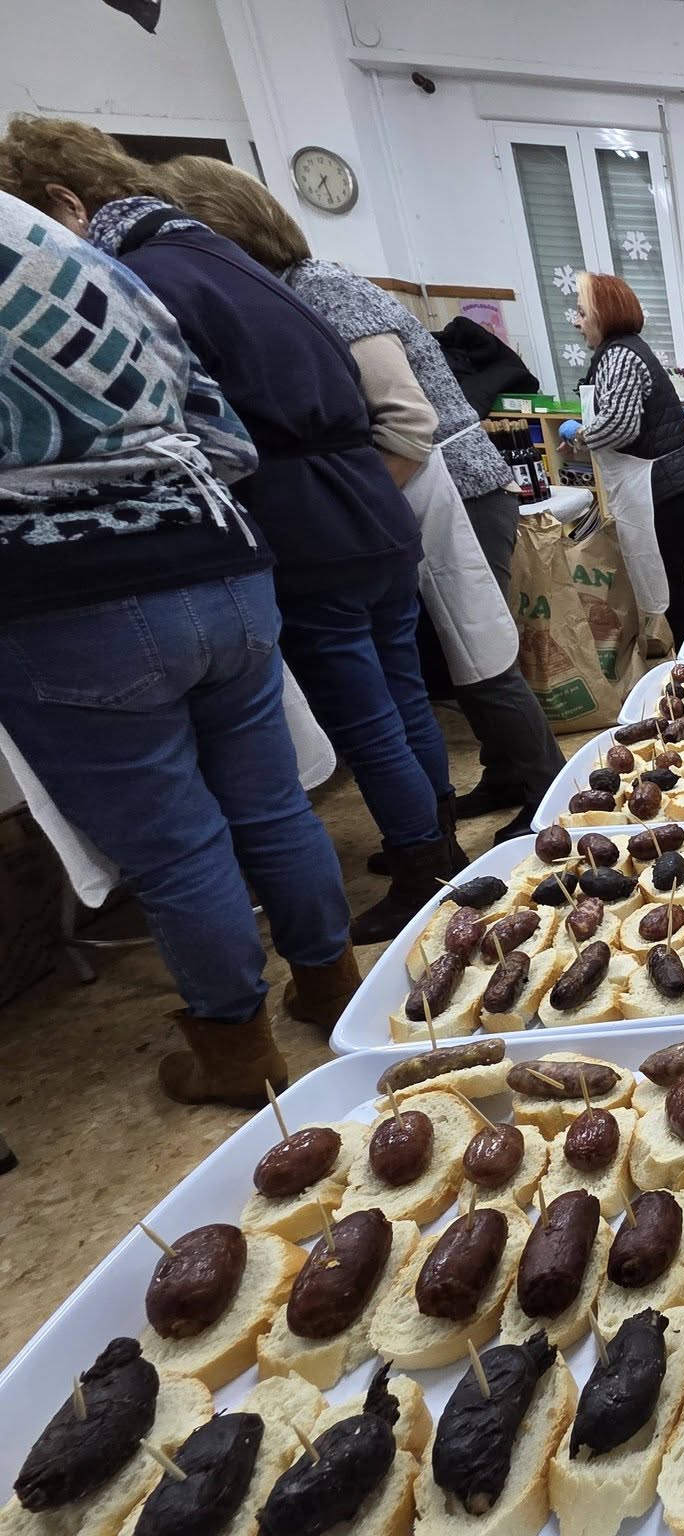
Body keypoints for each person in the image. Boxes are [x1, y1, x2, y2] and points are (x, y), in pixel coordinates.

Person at [0, 116, 458, 941]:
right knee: (399, 693)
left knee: (366, 717)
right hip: (367, 506)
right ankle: (433, 839)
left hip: (305, 520)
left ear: (65, 203)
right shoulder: (232, 262)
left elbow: (221, 434)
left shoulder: (139, 276)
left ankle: (425, 859)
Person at [0, 189, 355, 1106]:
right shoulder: (78, 255)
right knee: (273, 804)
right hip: (217, 558)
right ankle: (331, 985)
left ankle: (236, 1048)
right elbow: (222, 433)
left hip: (67, 593)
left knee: (176, 844)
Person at [158, 156, 565, 845]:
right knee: (451, 657)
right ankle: (505, 773)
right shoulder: (285, 292)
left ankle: (546, 788)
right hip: (416, 492)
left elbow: (407, 422)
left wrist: (350, 507)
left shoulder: (323, 288)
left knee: (479, 650)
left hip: (456, 487)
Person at [571, 272, 684, 647]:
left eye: (582, 313)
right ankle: (682, 653)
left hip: (665, 488)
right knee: (671, 577)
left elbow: (620, 427)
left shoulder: (621, 356)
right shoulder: (619, 352)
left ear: (604, 314)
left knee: (669, 581)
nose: (576, 322)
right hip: (667, 484)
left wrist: (581, 435)